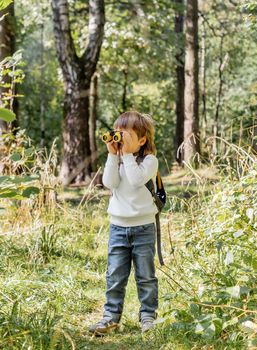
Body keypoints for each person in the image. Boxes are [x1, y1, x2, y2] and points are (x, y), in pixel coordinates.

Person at [89, 111, 159, 335]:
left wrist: (127, 156)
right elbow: (110, 183)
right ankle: (110, 317)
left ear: (141, 140)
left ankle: (148, 316)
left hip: (143, 228)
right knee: (115, 275)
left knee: (145, 276)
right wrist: (112, 156)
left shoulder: (150, 161)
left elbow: (137, 180)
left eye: (128, 135)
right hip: (118, 227)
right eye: (119, 133)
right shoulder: (117, 160)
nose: (121, 138)